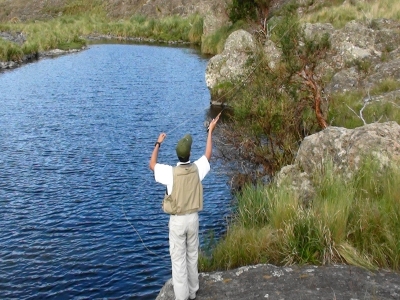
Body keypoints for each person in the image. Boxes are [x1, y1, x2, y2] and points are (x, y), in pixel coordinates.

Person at [149, 114, 220, 300]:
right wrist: (210, 131)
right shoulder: (197, 168)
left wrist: (158, 143)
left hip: (177, 222)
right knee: (192, 255)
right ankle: (193, 289)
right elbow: (208, 155)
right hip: (193, 219)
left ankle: (182, 296)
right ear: (188, 154)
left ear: (178, 155)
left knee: (178, 260)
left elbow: (152, 165)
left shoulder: (170, 173)